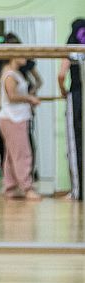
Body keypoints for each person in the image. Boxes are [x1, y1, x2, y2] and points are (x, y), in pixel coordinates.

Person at [0, 40, 43, 201]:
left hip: (16, 117)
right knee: (22, 154)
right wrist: (29, 99)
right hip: (13, 118)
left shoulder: (14, 72)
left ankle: (10, 186)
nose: (25, 56)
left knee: (12, 155)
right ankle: (26, 186)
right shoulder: (9, 73)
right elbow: (11, 96)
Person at [59, 18, 85, 200]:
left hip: (77, 95)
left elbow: (61, 75)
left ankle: (78, 191)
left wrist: (63, 91)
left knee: (75, 144)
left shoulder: (72, 43)